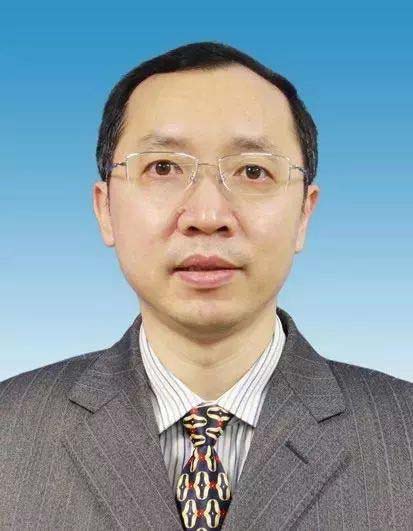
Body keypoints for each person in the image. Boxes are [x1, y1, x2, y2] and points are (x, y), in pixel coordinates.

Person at [1, 41, 412, 530]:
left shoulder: (403, 435)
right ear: (104, 208)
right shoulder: (10, 431)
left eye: (253, 171)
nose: (207, 215)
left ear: (304, 213)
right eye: (163, 168)